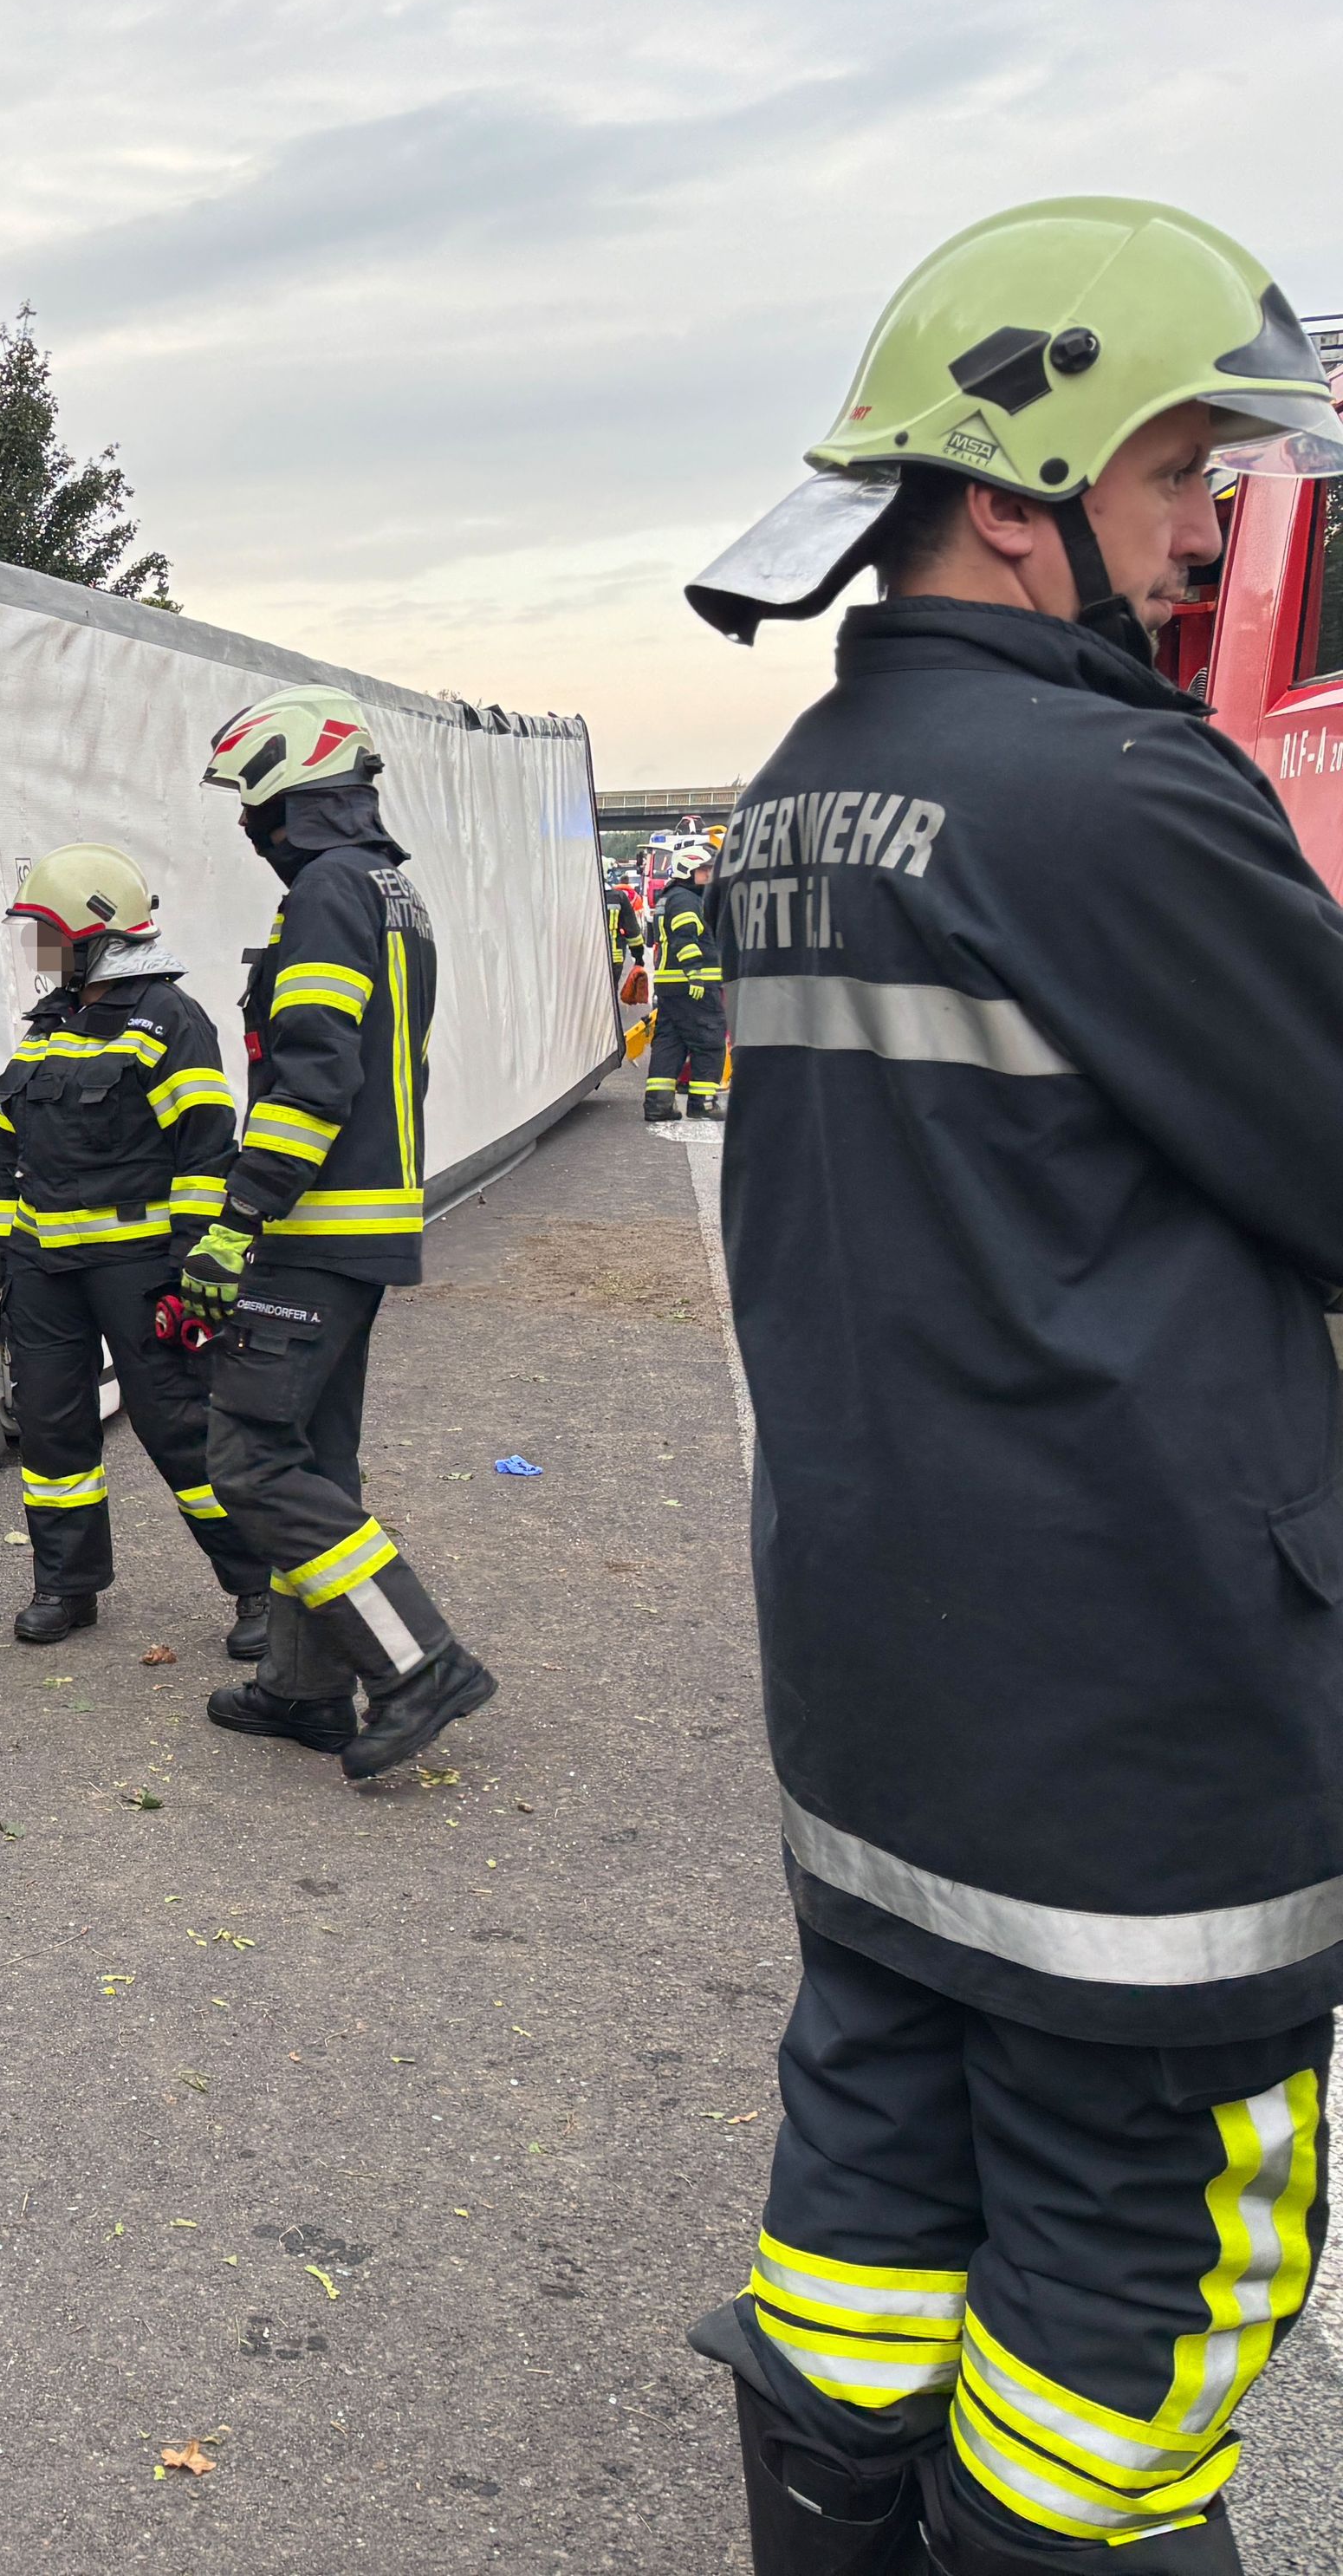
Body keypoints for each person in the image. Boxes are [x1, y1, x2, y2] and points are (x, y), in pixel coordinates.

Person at [680, 195, 1343, 2573]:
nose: (1209, 538)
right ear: (1011, 482)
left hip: (890, 1700)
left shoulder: (790, 803)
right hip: (1139, 1750)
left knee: (868, 2224)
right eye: (1182, 474)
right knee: (1134, 2325)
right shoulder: (1120, 803)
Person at [180, 686, 496, 1780]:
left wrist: (240, 1217)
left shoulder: (323, 891)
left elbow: (315, 1070)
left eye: (248, 799)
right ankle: (305, 1690)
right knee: (317, 1458)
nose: (243, 826)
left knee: (250, 1458)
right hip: (360, 1229)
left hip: (309, 1233)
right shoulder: (386, 887)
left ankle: (420, 1665)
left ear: (290, 790)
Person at [0, 842, 270, 1656]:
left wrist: (193, 1272)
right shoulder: (48, 1027)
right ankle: (66, 1587)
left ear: (93, 932)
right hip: (43, 1277)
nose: (38, 953)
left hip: (141, 1275)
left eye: (46, 934)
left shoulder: (172, 1022)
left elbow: (207, 1154)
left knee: (180, 1427)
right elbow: (10, 1161)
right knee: (51, 1434)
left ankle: (256, 1589)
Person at [645, 839, 728, 1118]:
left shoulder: (671, 897)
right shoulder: (686, 899)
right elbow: (685, 938)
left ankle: (658, 1104)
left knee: (670, 1041)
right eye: (705, 871)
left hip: (671, 985)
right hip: (694, 984)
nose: (710, 876)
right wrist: (696, 975)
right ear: (687, 869)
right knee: (709, 1039)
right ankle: (702, 1103)